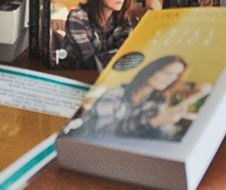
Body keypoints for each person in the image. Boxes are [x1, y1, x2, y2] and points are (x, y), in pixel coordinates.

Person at [69, 55, 209, 141]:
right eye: (166, 72)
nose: (170, 79)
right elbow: (100, 134)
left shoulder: (159, 100)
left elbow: (142, 133)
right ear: (151, 70)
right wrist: (154, 122)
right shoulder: (115, 95)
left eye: (176, 75)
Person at [63, 0, 134, 70]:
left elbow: (129, 57)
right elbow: (90, 63)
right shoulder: (78, 18)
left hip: (111, 79)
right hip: (78, 78)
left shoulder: (122, 19)